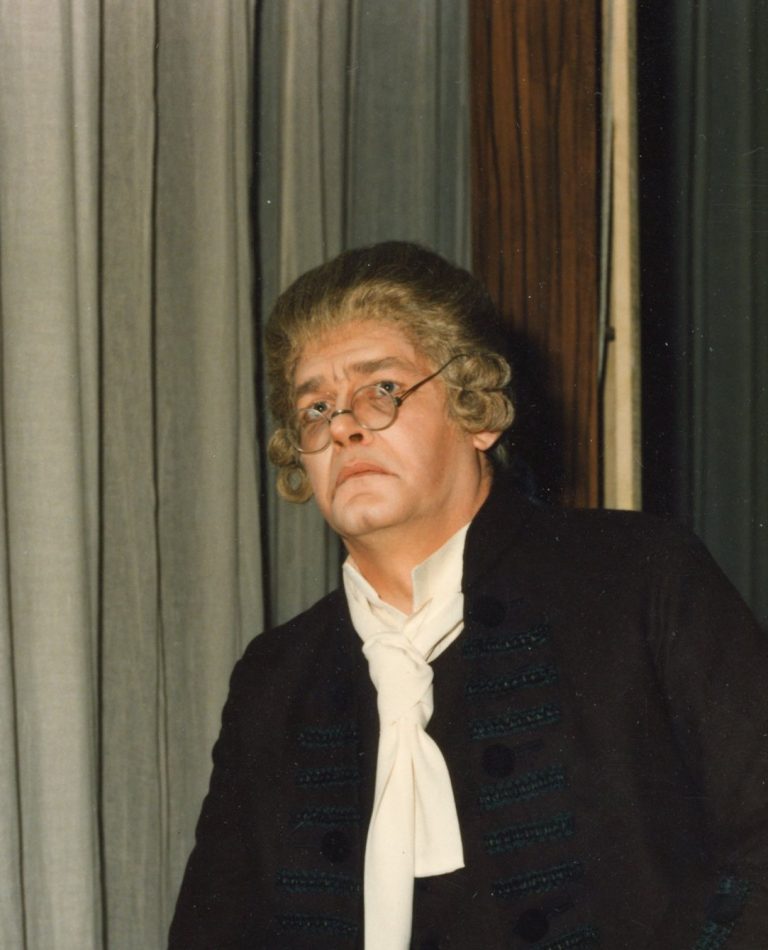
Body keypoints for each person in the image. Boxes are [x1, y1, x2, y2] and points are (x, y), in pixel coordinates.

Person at [169, 242, 768, 949]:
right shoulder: (274, 679)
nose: (343, 426)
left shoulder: (639, 579)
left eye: (382, 388)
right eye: (315, 407)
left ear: (477, 412)